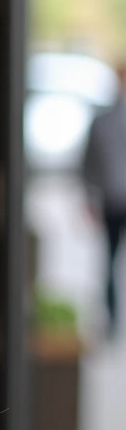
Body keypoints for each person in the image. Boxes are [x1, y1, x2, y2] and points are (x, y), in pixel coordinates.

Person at [83, 63, 126, 334]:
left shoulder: (103, 119)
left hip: (112, 196)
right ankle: (112, 318)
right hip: (112, 199)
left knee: (110, 261)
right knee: (109, 261)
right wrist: (90, 195)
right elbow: (89, 162)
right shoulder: (102, 119)